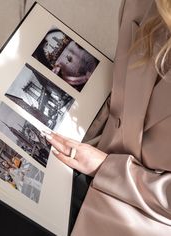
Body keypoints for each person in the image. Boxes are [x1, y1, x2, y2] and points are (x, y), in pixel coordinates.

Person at [0, 0, 170, 235]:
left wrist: (103, 166)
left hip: (139, 212)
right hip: (90, 162)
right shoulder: (142, 4)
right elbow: (122, 98)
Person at [44, 0, 171, 235]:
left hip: (140, 217)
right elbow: (119, 102)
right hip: (83, 168)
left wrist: (104, 167)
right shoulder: (143, 4)